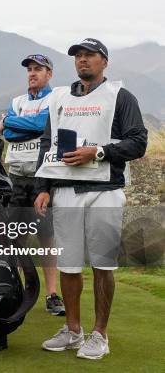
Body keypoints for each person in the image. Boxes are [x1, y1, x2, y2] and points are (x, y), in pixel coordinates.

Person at [34, 39, 147, 359]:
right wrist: (42, 186)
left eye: (90, 55)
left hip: (105, 191)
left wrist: (97, 152)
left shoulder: (120, 97)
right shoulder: (58, 97)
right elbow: (47, 144)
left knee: (102, 266)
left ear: (104, 62)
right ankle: (72, 330)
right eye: (78, 56)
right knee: (68, 266)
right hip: (65, 191)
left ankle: (99, 334)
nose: (83, 60)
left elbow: (138, 142)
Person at [0, 54, 65, 316]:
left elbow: (42, 125)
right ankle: (15, 291)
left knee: (46, 237)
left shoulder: (55, 99)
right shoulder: (17, 101)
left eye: (38, 69)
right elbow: (9, 134)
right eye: (29, 69)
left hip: (42, 177)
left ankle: (51, 294)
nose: (32, 73)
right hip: (15, 176)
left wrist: (9, 121)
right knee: (14, 237)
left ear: (49, 73)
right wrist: (13, 126)